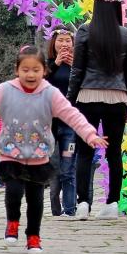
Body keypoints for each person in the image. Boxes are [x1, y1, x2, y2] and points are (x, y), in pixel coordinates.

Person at [0, 46, 107, 254]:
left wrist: (89, 134)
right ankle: (12, 221)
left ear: (44, 70)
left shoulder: (51, 94)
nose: (30, 74)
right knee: (13, 192)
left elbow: (71, 114)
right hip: (11, 153)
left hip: (39, 156)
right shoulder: (5, 91)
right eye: (25, 69)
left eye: (36, 70)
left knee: (36, 199)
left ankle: (33, 236)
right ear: (16, 70)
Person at [67, 0, 127, 220]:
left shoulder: (85, 31)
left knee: (85, 153)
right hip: (116, 98)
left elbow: (76, 70)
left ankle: (83, 203)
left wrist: (69, 101)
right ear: (117, 6)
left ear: (96, 5)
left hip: (87, 97)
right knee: (114, 153)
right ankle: (112, 203)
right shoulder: (126, 34)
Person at [46, 27, 78, 217]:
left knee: (68, 167)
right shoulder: (48, 64)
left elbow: (86, 83)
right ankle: (53, 207)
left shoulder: (80, 64)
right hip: (50, 124)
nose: (64, 44)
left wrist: (76, 67)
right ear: (54, 43)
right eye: (61, 40)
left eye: (68, 40)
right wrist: (55, 64)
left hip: (70, 123)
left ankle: (69, 209)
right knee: (49, 166)